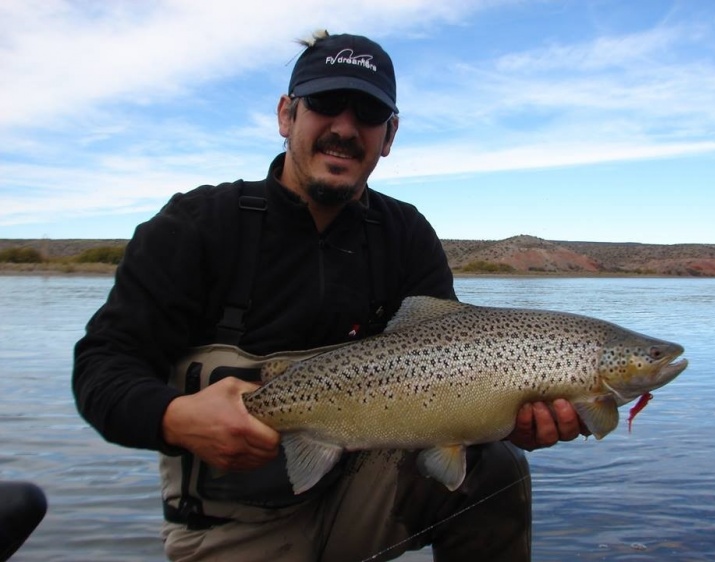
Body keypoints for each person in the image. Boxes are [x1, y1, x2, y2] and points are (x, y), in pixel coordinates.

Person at [73, 31, 587, 562]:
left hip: (361, 501)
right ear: (286, 115)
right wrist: (173, 417)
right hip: (230, 530)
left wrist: (504, 417)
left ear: (388, 136)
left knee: (496, 467)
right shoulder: (197, 225)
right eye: (324, 104)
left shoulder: (405, 235)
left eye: (366, 112)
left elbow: (454, 368)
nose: (344, 127)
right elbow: (101, 368)